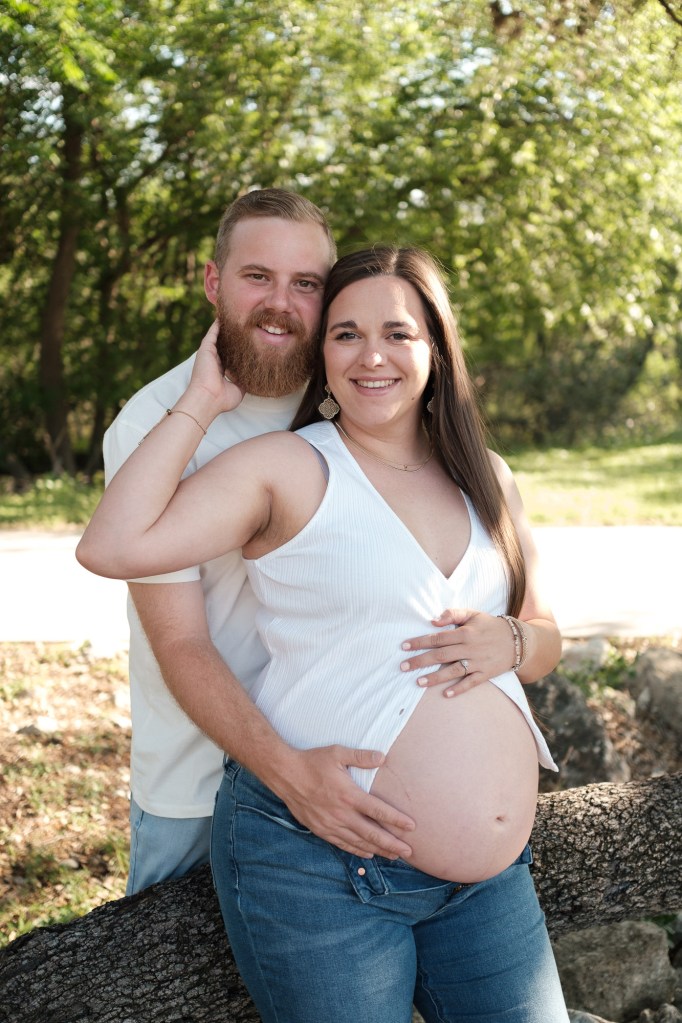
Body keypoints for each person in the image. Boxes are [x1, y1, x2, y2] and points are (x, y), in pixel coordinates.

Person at [78, 246, 568, 1022]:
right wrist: (201, 401)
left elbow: (544, 637)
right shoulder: (287, 467)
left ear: (436, 348)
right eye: (345, 334)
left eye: (397, 333)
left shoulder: (488, 475)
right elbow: (110, 546)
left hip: (485, 885)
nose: (372, 356)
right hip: (323, 863)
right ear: (322, 355)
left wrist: (510, 642)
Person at [104, 190, 468, 894]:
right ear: (214, 281)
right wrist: (290, 775)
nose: (281, 302)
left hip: (348, 768)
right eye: (257, 277)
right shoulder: (154, 424)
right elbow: (180, 641)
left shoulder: (354, 394)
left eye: (305, 283)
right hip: (201, 781)